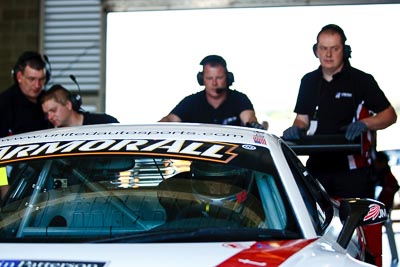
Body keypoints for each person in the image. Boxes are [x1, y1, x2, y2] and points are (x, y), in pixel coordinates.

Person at [282, 24, 397, 267]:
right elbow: (302, 119)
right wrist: (296, 129)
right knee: (315, 227)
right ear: (316, 50)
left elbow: (389, 115)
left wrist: (365, 124)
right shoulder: (309, 81)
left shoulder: (361, 81)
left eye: (334, 48)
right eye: (323, 48)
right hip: (317, 168)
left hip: (353, 170)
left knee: (360, 228)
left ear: (345, 50)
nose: (329, 54)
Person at [159, 55, 265, 129]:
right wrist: (161, 124)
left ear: (228, 78)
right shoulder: (191, 102)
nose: (214, 83)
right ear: (202, 80)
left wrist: (253, 124)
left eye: (219, 78)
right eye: (209, 78)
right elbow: (171, 119)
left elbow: (249, 118)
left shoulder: (239, 99)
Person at [0, 51, 52, 137]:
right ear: (19, 77)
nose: (37, 85)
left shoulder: (49, 99)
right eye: (32, 79)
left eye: (41, 79)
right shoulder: (4, 104)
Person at [41, 84, 119, 127]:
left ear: (68, 105)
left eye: (53, 110)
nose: (49, 117)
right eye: (47, 113)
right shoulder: (50, 134)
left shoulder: (105, 123)